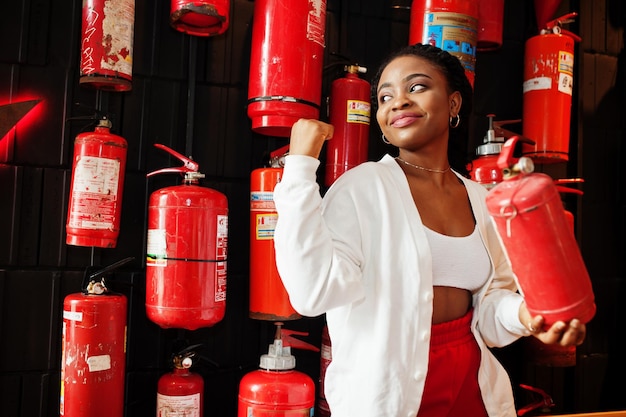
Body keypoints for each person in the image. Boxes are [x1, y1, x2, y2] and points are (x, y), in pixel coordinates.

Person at [272, 43, 586, 417]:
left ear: (453, 105)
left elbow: (489, 309)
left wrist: (527, 317)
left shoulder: (482, 199)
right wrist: (300, 168)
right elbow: (312, 292)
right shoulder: (363, 187)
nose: (397, 102)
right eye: (385, 96)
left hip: (472, 387)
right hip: (386, 394)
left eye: (416, 87)